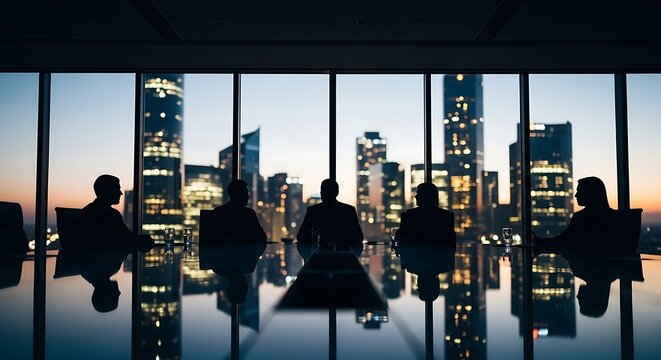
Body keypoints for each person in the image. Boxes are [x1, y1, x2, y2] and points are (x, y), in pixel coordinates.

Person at [534, 176, 617, 252]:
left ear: (590, 194)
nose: (576, 195)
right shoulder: (613, 216)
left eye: (580, 191)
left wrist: (540, 242)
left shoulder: (581, 218)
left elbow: (563, 241)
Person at [79, 174, 153, 249]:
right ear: (107, 191)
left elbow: (128, 237)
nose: (120, 193)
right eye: (117, 189)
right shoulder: (91, 215)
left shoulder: (113, 214)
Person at [296, 178, 363, 244]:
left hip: (321, 252)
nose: (324, 193)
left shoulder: (313, 211)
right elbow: (301, 236)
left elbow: (359, 237)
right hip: (342, 252)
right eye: (323, 190)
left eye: (328, 191)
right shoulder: (348, 210)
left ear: (336, 193)